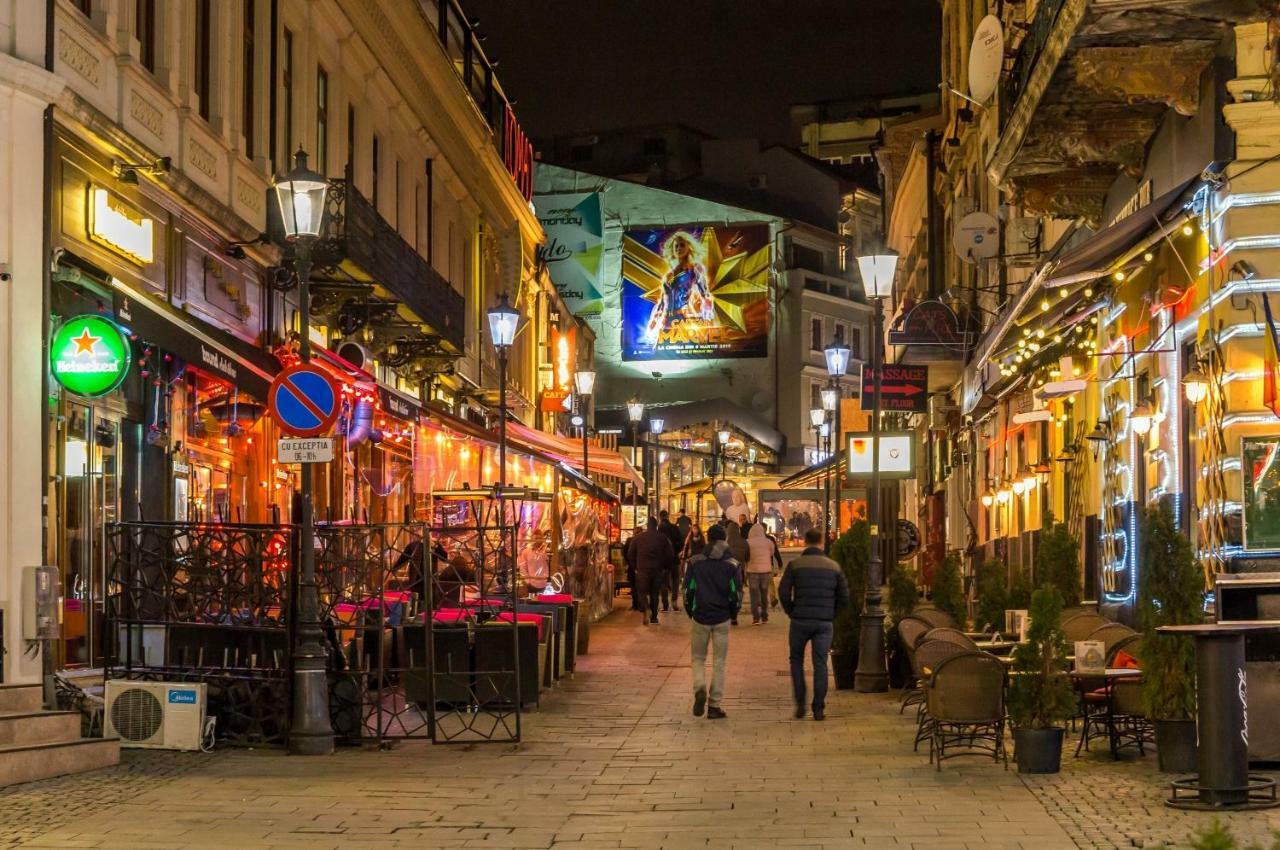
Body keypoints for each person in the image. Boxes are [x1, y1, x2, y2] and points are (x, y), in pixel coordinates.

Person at [778, 528, 850, 721]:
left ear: (805, 541)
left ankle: (800, 704)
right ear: (821, 543)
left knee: (796, 660)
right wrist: (832, 614)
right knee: (820, 664)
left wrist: (791, 610)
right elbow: (844, 596)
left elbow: (783, 591)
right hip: (824, 622)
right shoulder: (833, 567)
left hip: (800, 620)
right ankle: (818, 708)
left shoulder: (795, 565)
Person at [683, 524, 740, 719]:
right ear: (724, 540)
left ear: (707, 539)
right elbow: (736, 593)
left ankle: (699, 687)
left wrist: (691, 611)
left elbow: (688, 590)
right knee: (719, 661)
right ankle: (714, 705)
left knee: (698, 658)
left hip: (700, 616)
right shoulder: (732, 564)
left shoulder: (695, 562)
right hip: (722, 617)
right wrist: (733, 613)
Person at [626, 517, 675, 624]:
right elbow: (670, 555)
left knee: (641, 592)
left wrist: (635, 567)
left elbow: (630, 554)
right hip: (658, 570)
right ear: (656, 526)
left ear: (647, 526)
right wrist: (665, 568)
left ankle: (646, 608)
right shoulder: (663, 538)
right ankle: (654, 617)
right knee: (654, 593)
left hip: (642, 569)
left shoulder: (638, 538)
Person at [745, 523, 780, 625]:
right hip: (766, 571)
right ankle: (764, 616)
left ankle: (756, 618)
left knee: (754, 594)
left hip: (753, 571)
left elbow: (746, 555)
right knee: (764, 594)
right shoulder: (768, 542)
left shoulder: (748, 542)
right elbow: (772, 553)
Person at [657, 510, 686, 613]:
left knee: (664, 582)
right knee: (675, 580)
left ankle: (665, 605)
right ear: (668, 516)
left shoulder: (659, 529)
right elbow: (681, 542)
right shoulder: (674, 527)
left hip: (664, 561)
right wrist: (676, 551)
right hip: (674, 559)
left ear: (660, 517)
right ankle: (674, 602)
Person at [724, 520, 749, 625]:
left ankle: (727, 614)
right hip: (740, 571)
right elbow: (748, 557)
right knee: (737, 592)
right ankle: (734, 616)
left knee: (727, 593)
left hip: (726, 572)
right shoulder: (744, 542)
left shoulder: (725, 543)